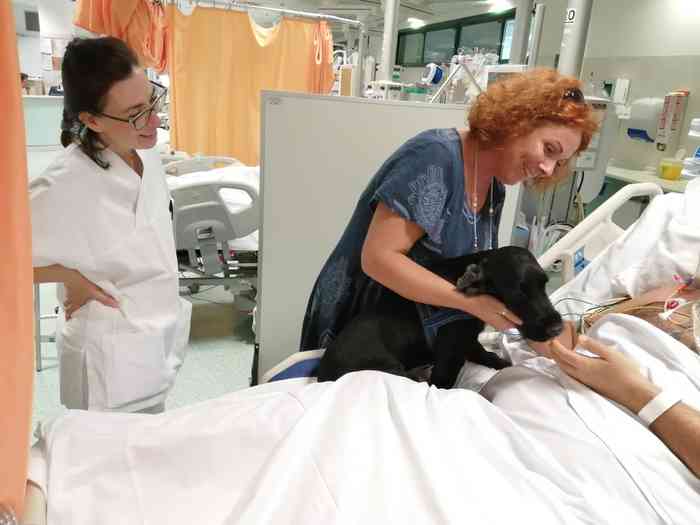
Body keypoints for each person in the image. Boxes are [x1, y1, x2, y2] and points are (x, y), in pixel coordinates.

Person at [300, 68, 599, 352]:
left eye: (559, 163)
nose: (548, 169)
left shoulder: (494, 190)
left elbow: (481, 274)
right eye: (549, 149)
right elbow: (379, 259)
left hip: (410, 334)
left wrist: (548, 331)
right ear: (518, 121)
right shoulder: (434, 158)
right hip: (360, 326)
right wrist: (469, 304)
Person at [30, 37, 191, 413]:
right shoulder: (64, 182)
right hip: (106, 360)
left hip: (156, 343)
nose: (153, 121)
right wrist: (68, 277)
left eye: (153, 99)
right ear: (91, 119)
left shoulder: (147, 156)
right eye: (136, 112)